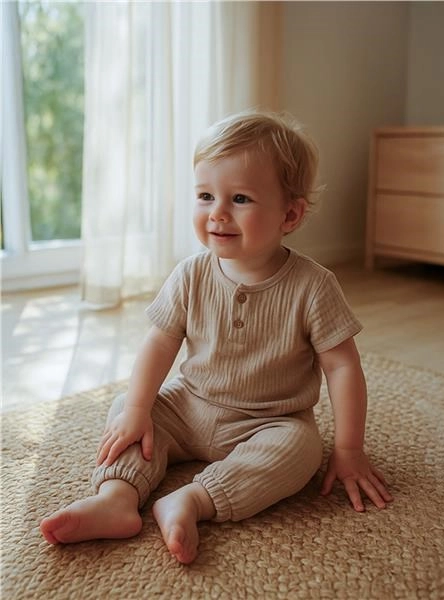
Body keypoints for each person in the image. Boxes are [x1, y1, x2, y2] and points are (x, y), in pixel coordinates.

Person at [40, 110, 393, 564]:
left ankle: (192, 500)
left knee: (303, 449)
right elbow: (159, 343)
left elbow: (342, 366)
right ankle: (117, 498)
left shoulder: (314, 286)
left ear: (290, 214)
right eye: (205, 196)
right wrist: (138, 410)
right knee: (129, 408)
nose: (217, 213)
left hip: (269, 420)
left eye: (240, 198)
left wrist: (348, 449)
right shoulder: (190, 274)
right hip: (189, 405)